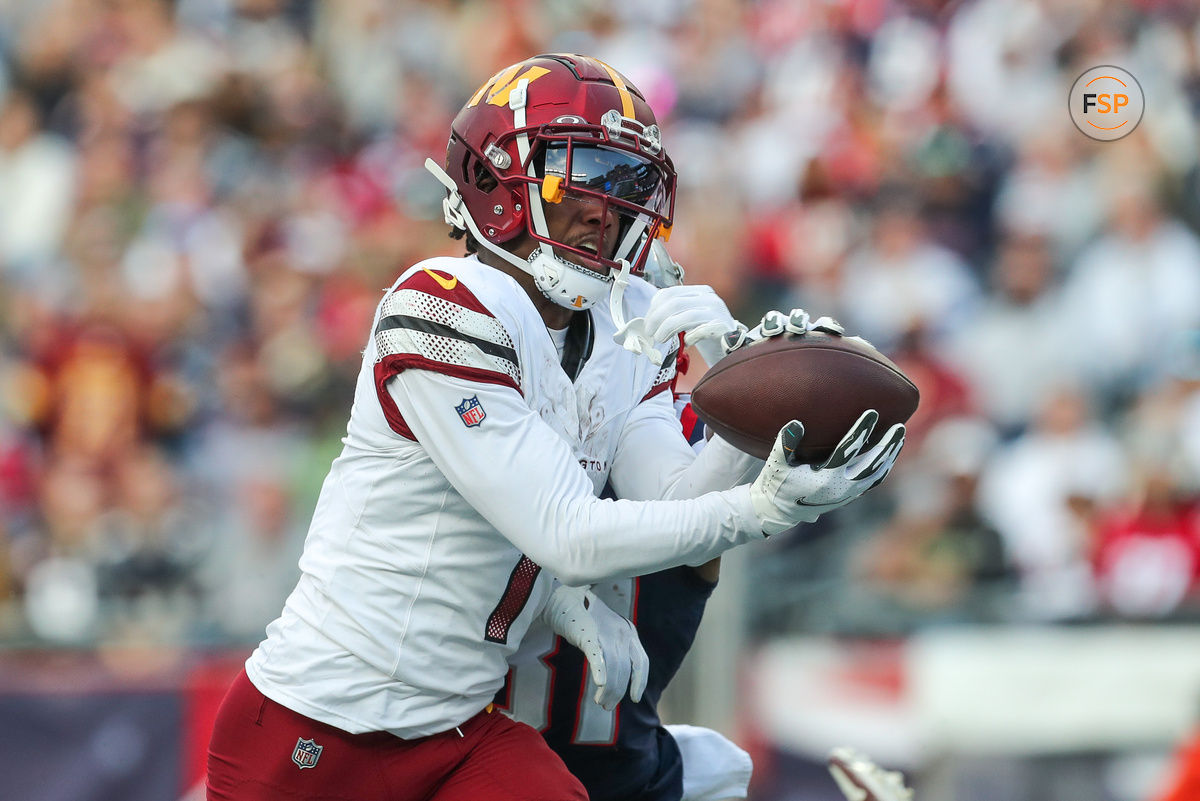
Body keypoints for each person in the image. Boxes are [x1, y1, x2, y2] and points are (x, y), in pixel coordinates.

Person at [206, 53, 905, 801]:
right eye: (588, 171)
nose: (609, 206)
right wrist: (753, 510)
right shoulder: (441, 303)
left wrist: (750, 412)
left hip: (458, 726)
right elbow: (567, 533)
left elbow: (667, 502)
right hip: (317, 723)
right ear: (499, 178)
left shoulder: (625, 326)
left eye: (627, 182)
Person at [505, 241, 914, 801]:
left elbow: (687, 521)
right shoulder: (493, 416)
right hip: (476, 750)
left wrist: (773, 388)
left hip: (622, 772)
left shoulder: (694, 441)